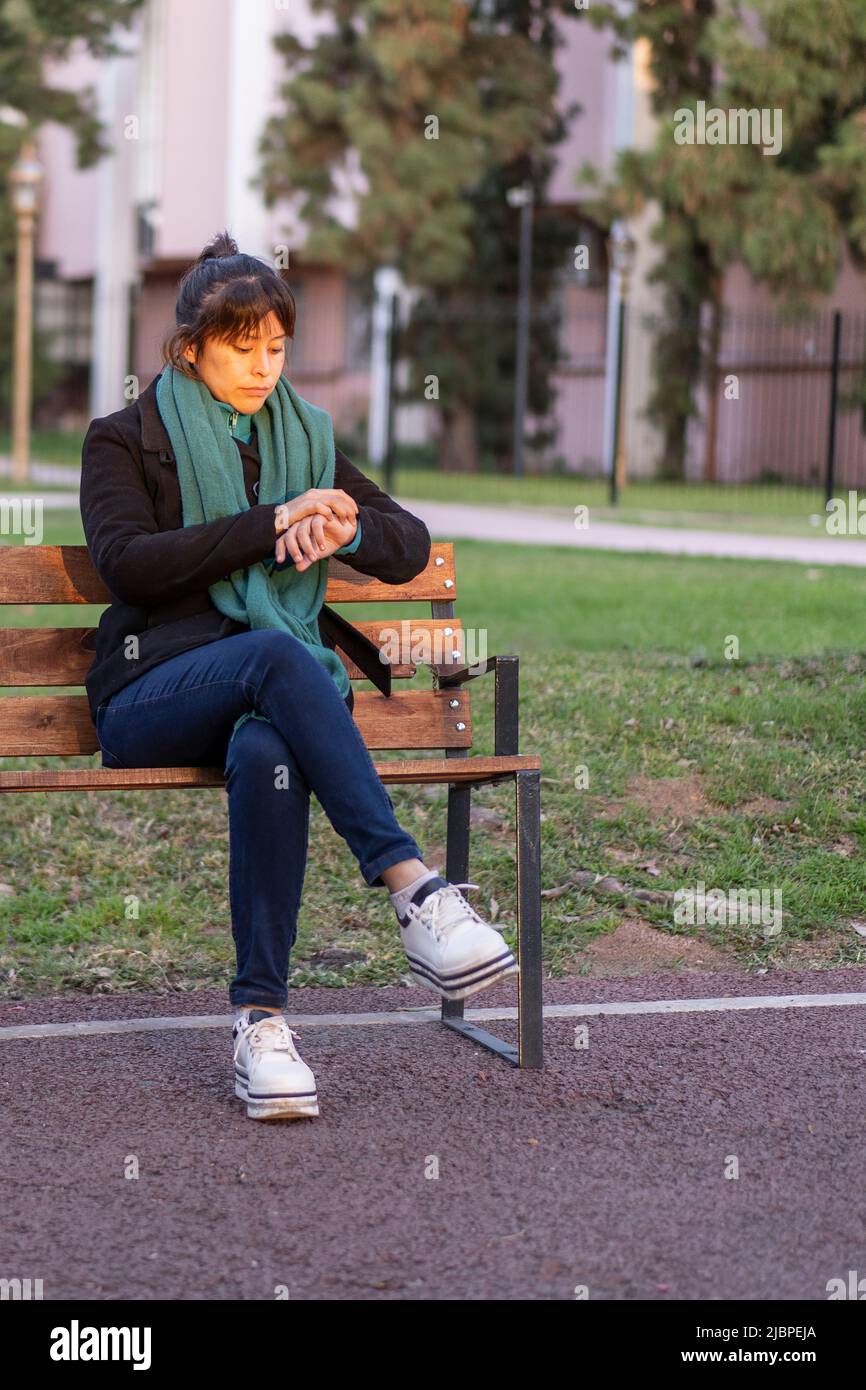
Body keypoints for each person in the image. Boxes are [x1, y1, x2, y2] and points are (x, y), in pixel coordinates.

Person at [79, 230, 518, 1121]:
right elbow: (130, 566)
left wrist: (344, 525)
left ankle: (262, 1024)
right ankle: (414, 892)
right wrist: (268, 521)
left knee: (274, 753)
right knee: (278, 655)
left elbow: (410, 545)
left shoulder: (306, 440)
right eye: (242, 349)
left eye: (276, 348)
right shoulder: (126, 439)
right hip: (146, 696)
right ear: (190, 348)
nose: (263, 367)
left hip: (268, 698)